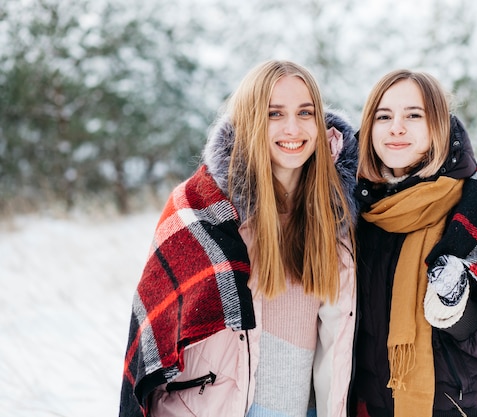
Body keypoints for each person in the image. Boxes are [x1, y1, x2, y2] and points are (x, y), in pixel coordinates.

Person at [119, 60, 359, 417]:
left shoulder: (338, 215)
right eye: (274, 114)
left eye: (305, 112)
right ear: (249, 120)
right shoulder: (202, 208)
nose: (292, 128)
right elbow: (156, 329)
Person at [349, 70, 477, 417]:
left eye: (414, 115)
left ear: (438, 127)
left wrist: (457, 309)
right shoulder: (358, 213)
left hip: (465, 408)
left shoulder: (471, 210)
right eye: (384, 116)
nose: (396, 127)